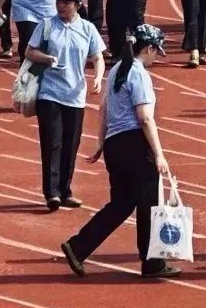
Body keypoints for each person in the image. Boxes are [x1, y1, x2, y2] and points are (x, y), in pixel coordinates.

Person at [62, 24, 177, 279]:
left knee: (122, 203)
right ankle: (153, 263)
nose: (156, 57)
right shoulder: (139, 74)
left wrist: (101, 142)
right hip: (135, 144)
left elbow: (104, 109)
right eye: (156, 52)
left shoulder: (116, 70)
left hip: (115, 144)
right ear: (149, 49)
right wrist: (159, 154)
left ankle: (78, 247)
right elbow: (145, 118)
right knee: (149, 203)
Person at [24, 0, 105, 210]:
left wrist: (98, 77)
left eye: (66, 2)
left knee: (71, 145)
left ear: (78, 4)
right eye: (59, 1)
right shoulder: (47, 25)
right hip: (49, 93)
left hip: (75, 95)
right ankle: (52, 193)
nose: (61, 5)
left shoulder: (87, 29)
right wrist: (46, 58)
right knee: (53, 143)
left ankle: (65, 190)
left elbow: (97, 56)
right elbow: (29, 51)